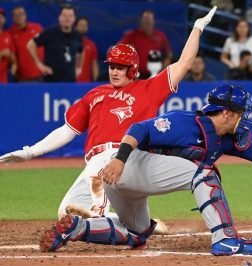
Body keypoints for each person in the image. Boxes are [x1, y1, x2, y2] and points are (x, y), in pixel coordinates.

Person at [39, 85, 252, 256]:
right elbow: (139, 128)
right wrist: (118, 159)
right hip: (125, 167)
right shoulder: (185, 122)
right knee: (205, 174)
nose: (246, 119)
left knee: (136, 234)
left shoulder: (228, 138)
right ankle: (225, 239)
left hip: (128, 180)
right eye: (241, 113)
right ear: (226, 113)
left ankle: (77, 229)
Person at [0, 7, 218, 221]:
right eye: (112, 65)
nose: (114, 71)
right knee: (66, 214)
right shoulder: (96, 93)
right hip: (97, 161)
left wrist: (197, 28)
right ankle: (143, 226)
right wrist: (30, 152)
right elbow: (67, 131)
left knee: (90, 205)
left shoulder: (148, 89)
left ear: (133, 69)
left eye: (120, 67)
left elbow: (184, 63)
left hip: (126, 158)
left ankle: (102, 215)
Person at [27, 4, 83, 82]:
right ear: (59, 17)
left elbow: (81, 51)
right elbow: (30, 45)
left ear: (74, 18)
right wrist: (39, 65)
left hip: (70, 80)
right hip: (51, 80)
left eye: (70, 16)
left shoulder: (77, 35)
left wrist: (79, 67)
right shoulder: (50, 33)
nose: (67, 19)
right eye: (64, 15)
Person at [119, 10, 173, 79]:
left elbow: (169, 54)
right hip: (135, 75)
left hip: (155, 75)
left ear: (154, 21)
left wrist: (164, 70)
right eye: (145, 19)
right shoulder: (132, 35)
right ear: (141, 21)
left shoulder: (160, 36)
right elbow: (118, 49)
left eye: (149, 19)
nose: (147, 21)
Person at [8, 6, 44, 82]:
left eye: (21, 14)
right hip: (23, 78)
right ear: (12, 18)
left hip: (41, 75)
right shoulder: (10, 34)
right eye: (16, 15)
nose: (19, 17)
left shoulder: (37, 28)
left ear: (25, 15)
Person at [75, 16, 99, 82]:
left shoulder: (91, 45)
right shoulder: (69, 43)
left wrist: (96, 82)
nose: (83, 27)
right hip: (71, 83)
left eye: (85, 25)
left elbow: (94, 65)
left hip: (86, 83)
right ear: (75, 26)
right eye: (81, 25)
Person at [0, 7, 17, 83]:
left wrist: (13, 63)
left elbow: (13, 58)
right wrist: (1, 53)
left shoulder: (8, 36)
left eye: (1, 17)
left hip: (4, 81)